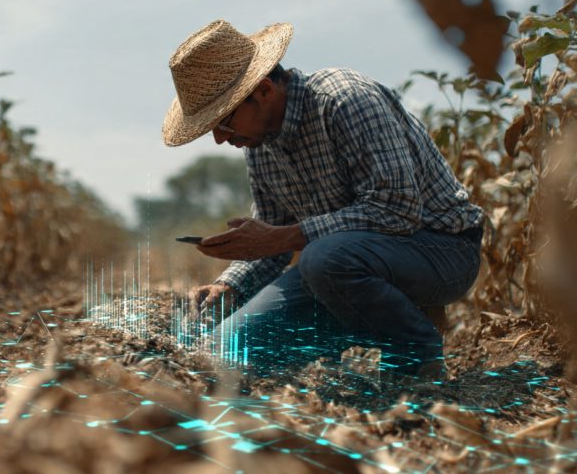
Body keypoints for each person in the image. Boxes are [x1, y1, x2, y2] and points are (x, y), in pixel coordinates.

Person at [161, 20, 484, 379]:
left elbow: (398, 210)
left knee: (323, 258)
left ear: (264, 90)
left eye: (224, 123)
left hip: (440, 251)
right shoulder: (259, 145)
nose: (221, 140)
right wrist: (229, 285)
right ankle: (393, 317)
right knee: (230, 347)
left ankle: (416, 354)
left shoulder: (344, 100)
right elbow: (272, 242)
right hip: (343, 268)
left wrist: (283, 238)